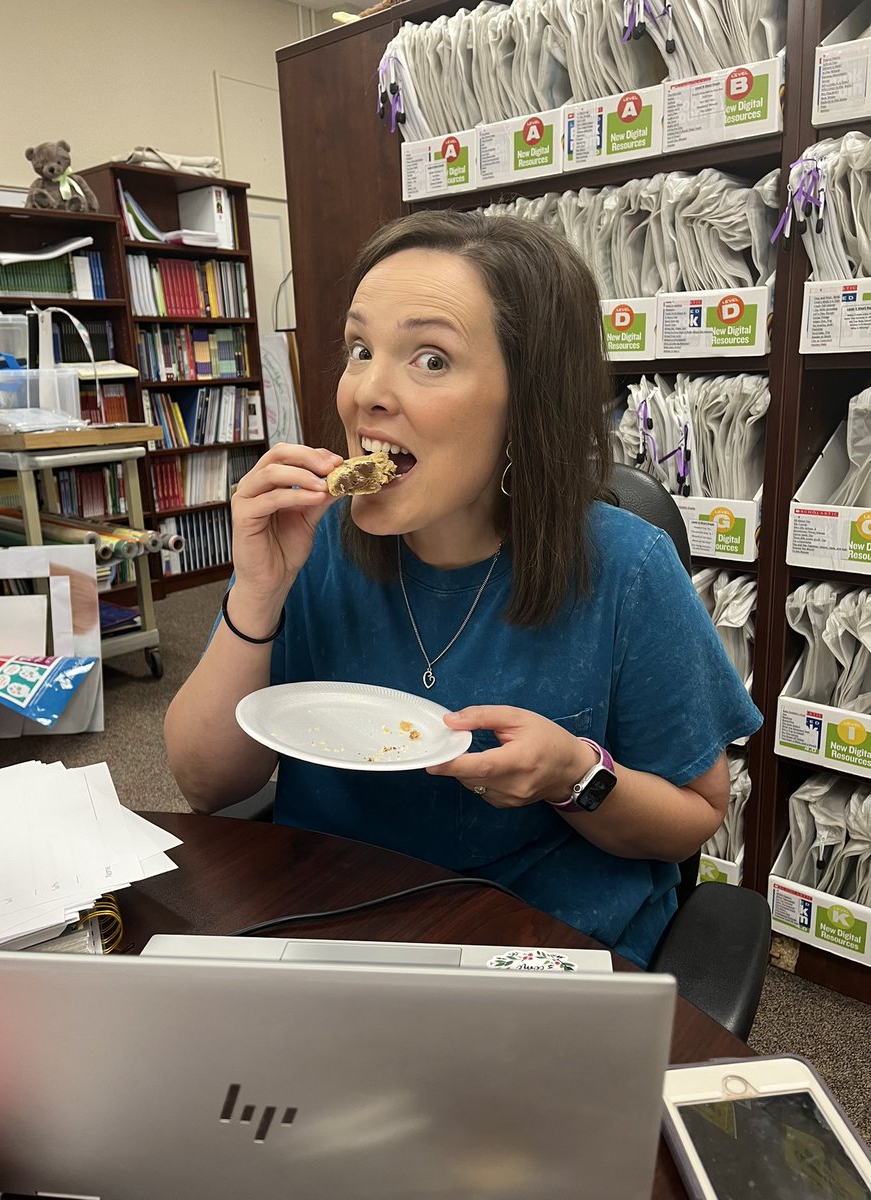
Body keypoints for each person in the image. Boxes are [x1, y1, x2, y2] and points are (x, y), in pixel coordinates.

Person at [164, 210, 762, 968]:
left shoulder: (625, 566)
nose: (366, 392)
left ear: (527, 402)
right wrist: (257, 591)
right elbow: (206, 785)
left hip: (536, 952)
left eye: (431, 359)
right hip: (328, 933)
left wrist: (573, 776)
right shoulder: (310, 547)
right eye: (360, 349)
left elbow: (695, 815)